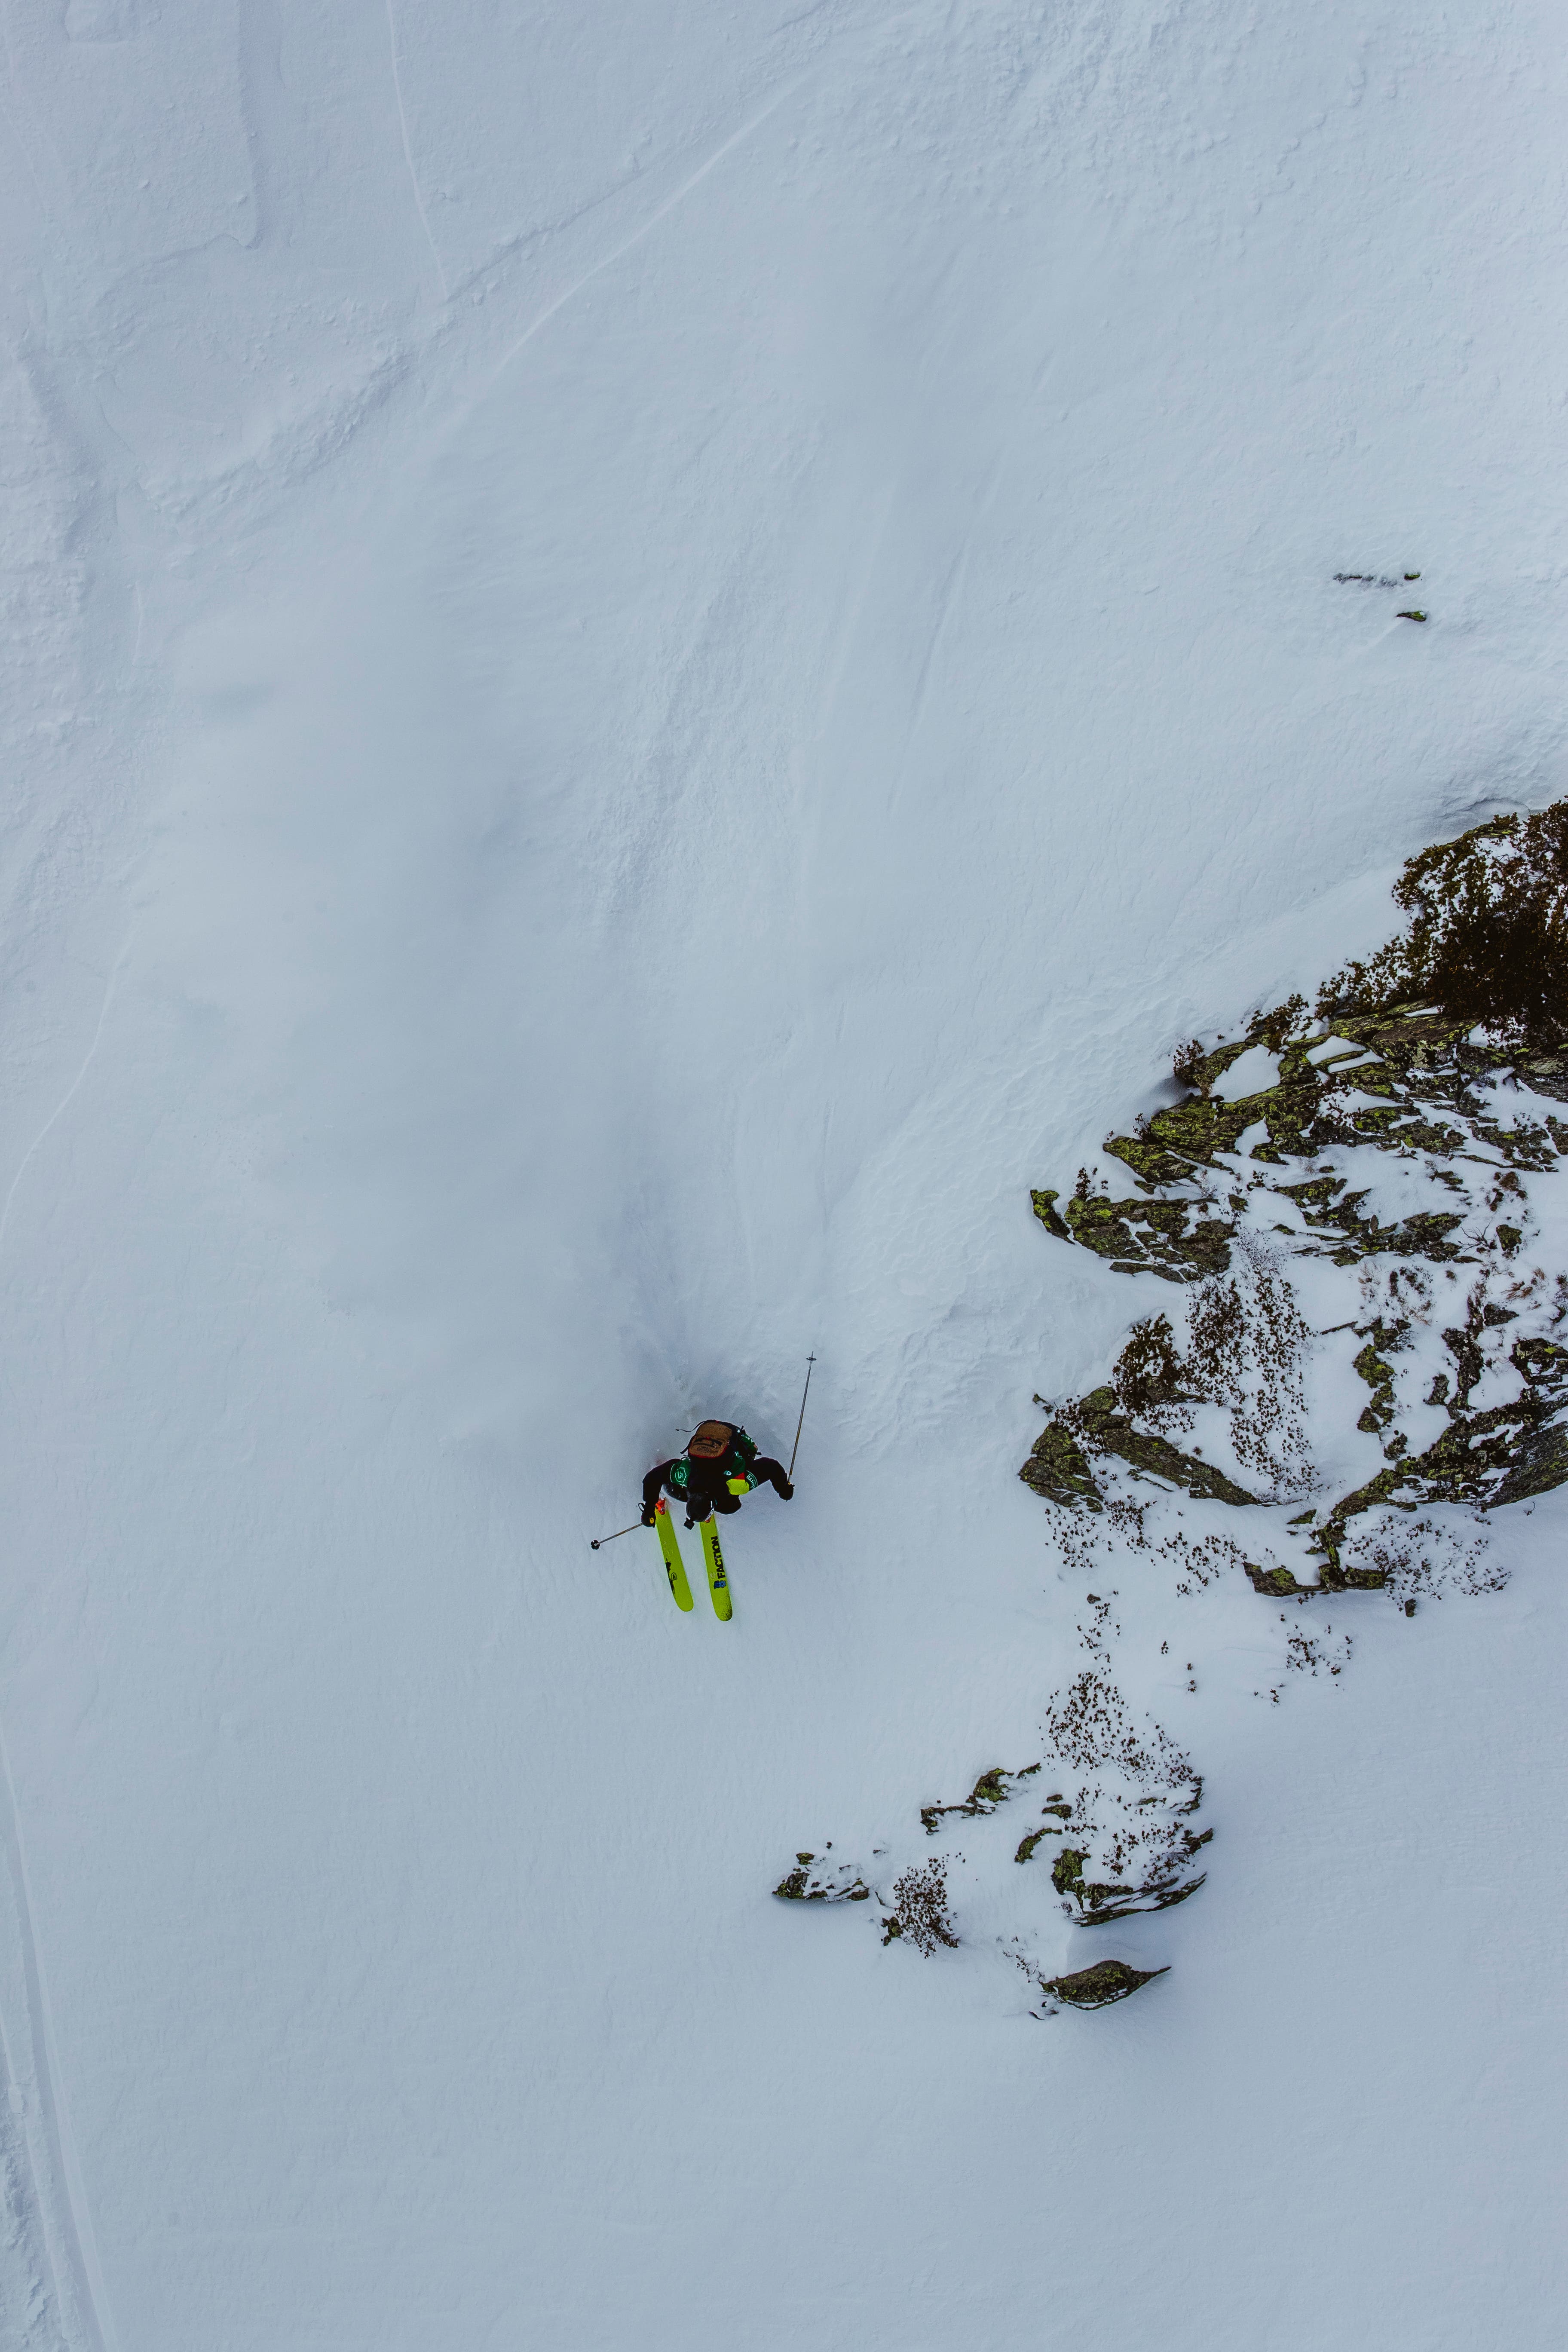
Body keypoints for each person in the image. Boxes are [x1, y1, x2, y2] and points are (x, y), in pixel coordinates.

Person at [641, 1419, 793, 1528]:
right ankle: (668, 1491)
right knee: (671, 1480)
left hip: (730, 1437)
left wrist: (784, 1490)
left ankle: (663, 1492)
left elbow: (771, 1467)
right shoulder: (687, 1474)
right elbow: (771, 1467)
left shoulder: (737, 1484)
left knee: (732, 1506)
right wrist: (783, 1488)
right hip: (715, 1434)